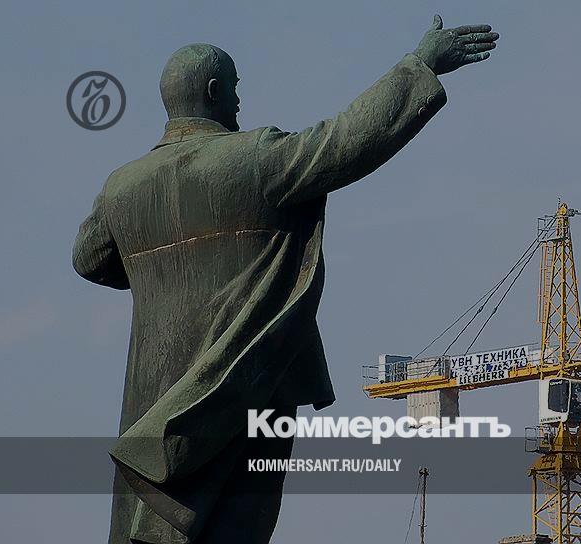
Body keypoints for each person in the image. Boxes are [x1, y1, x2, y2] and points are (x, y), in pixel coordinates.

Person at [72, 15, 499, 544]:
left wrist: (157, 263)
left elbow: (89, 258)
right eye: (234, 88)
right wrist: (420, 66)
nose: (238, 101)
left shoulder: (121, 188)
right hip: (242, 385)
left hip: (151, 407)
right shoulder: (252, 159)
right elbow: (344, 142)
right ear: (214, 91)